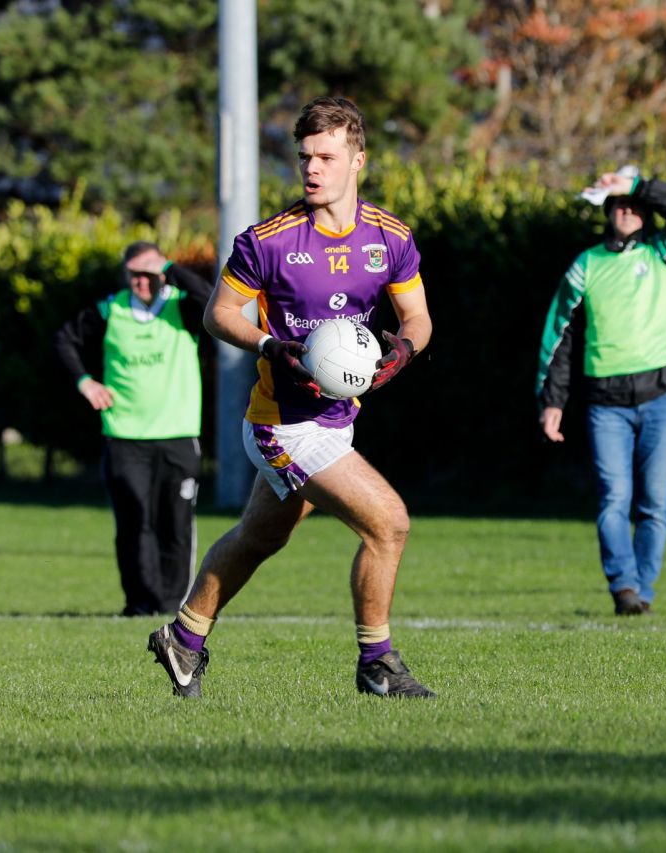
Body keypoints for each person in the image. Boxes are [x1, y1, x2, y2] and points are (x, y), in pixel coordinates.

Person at [147, 96, 435, 699]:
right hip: (282, 423)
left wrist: (403, 352)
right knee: (390, 524)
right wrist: (270, 345)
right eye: (305, 156)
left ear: (358, 159)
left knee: (261, 536)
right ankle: (376, 663)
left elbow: (418, 318)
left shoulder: (390, 237)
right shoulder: (269, 242)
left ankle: (184, 638)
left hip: (336, 420)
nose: (312, 168)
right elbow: (218, 314)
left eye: (326, 156)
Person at [535, 166, 666, 616]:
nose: (626, 210)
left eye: (634, 205)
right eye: (619, 204)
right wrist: (552, 401)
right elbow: (560, 337)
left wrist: (634, 184)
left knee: (655, 505)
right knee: (614, 499)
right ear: (608, 212)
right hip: (606, 406)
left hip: (663, 398)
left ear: (646, 212)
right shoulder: (586, 264)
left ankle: (643, 592)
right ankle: (624, 587)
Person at [55, 242, 214, 617]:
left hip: (177, 435)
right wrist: (85, 382)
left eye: (148, 273)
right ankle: (139, 605)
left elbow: (210, 299)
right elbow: (64, 339)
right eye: (134, 274)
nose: (141, 282)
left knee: (175, 525)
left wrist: (170, 267)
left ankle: (174, 607)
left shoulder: (180, 304)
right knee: (134, 521)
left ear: (161, 272)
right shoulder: (112, 309)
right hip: (125, 436)